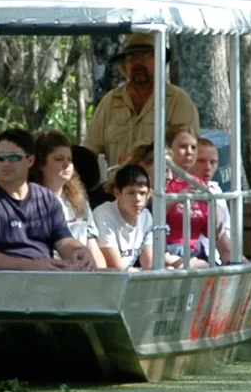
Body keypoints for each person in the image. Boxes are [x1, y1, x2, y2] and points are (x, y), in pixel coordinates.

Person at [0, 127, 95, 271]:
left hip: (47, 280)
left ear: (30, 160)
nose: (5, 163)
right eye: (0, 157)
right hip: (3, 284)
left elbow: (63, 240)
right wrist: (32, 266)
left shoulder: (47, 199)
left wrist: (79, 251)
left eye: (13, 157)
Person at [82, 32, 198, 176]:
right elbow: (90, 150)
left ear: (160, 59)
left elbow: (189, 154)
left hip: (163, 192)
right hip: (118, 192)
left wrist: (140, 159)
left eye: (144, 56)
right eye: (131, 57)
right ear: (124, 65)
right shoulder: (110, 101)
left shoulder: (177, 100)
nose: (137, 62)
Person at [160, 124, 235, 264]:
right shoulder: (161, 182)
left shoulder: (199, 185)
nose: (189, 152)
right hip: (167, 253)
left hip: (195, 253)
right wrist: (175, 200)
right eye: (183, 147)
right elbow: (150, 219)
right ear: (169, 150)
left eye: (193, 147)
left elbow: (217, 234)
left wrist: (212, 207)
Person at [87, 162, 159, 270]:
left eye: (142, 193)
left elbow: (148, 263)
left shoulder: (146, 217)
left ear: (149, 195)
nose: (138, 199)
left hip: (130, 276)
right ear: (117, 194)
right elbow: (115, 267)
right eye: (131, 193)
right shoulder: (103, 214)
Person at [35, 128, 98, 247]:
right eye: (59, 159)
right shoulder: (31, 203)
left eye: (69, 159)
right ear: (41, 164)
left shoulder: (80, 201)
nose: (67, 165)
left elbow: (93, 247)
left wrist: (100, 266)